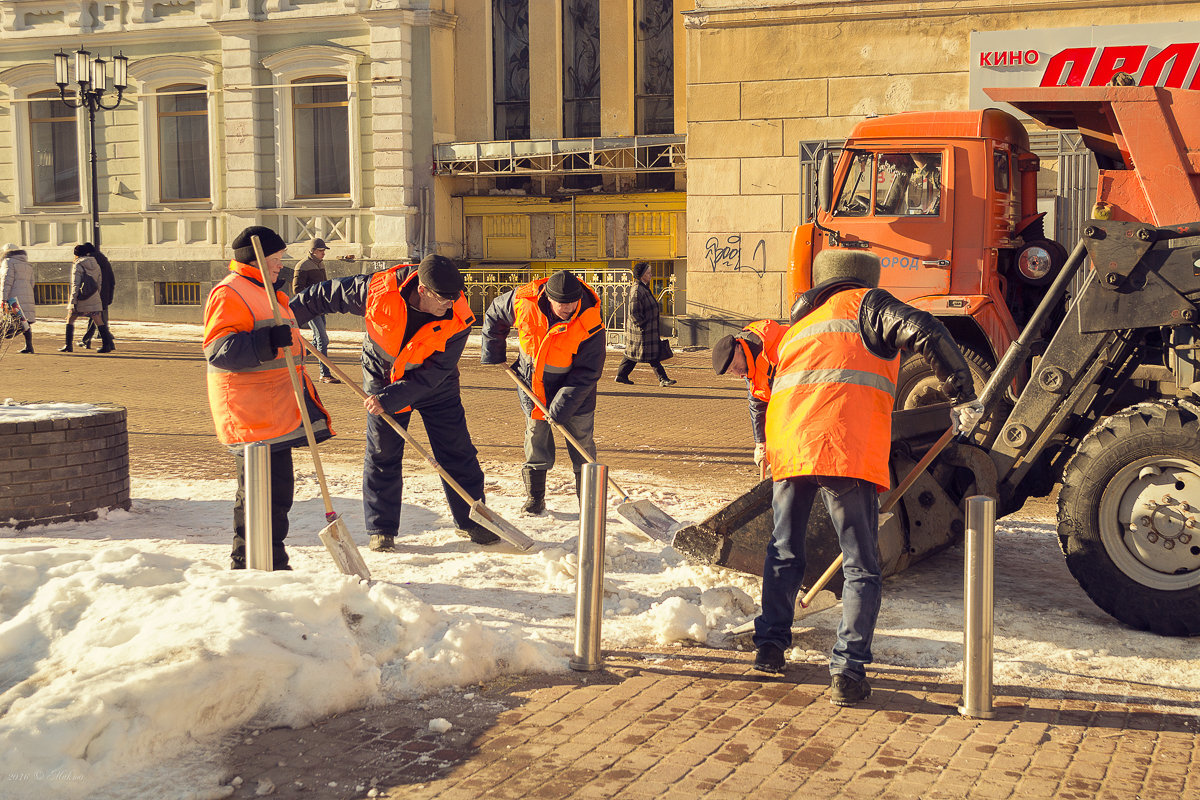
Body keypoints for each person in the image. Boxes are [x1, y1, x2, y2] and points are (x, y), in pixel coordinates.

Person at [752, 249, 983, 707]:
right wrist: (962, 394)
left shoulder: (801, 322)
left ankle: (770, 648)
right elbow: (928, 330)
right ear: (864, 279)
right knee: (860, 562)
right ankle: (847, 669)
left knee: (783, 549)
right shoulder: (868, 305)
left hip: (790, 443)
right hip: (842, 444)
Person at [290, 253, 496, 551]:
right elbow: (322, 295)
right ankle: (381, 528)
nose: (449, 304)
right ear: (423, 289)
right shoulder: (378, 289)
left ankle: (472, 521)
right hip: (383, 375)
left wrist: (390, 399)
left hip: (435, 383)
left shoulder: (460, 316)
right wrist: (287, 321)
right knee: (382, 451)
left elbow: (436, 371)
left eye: (453, 298)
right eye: (442, 299)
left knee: (457, 450)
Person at [203, 225, 334, 570]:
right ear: (257, 259)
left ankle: (273, 559)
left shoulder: (269, 292)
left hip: (275, 408)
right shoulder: (230, 292)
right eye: (276, 259)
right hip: (250, 413)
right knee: (259, 496)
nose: (281, 264)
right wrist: (268, 340)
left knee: (278, 495)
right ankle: (248, 560)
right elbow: (219, 351)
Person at [480, 270, 605, 514]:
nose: (568, 308)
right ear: (548, 297)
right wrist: (494, 350)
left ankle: (589, 505)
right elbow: (495, 312)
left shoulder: (591, 321)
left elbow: (588, 372)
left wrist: (560, 408)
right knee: (536, 438)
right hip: (533, 384)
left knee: (581, 441)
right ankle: (535, 498)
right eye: (562, 304)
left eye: (572, 303)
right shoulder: (523, 301)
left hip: (576, 390)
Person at [710, 319, 789, 471]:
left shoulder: (772, 356)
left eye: (735, 366)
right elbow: (757, 403)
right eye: (731, 371)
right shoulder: (748, 360)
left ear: (739, 348)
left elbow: (787, 406)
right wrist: (761, 443)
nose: (737, 373)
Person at [615, 262, 676, 387]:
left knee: (632, 355)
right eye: (648, 273)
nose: (651, 275)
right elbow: (634, 312)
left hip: (648, 330)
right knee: (651, 356)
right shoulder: (637, 290)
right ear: (642, 275)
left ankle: (621, 375)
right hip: (643, 331)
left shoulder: (643, 288)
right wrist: (642, 326)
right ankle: (663, 379)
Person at [292, 237, 339, 384]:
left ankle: (293, 361)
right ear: (313, 251)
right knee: (323, 339)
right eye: (321, 251)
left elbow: (324, 285)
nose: (323, 253)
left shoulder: (320, 264)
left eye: (324, 251)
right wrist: (312, 300)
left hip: (321, 308)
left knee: (317, 341)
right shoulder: (302, 265)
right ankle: (324, 374)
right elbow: (297, 290)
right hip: (311, 309)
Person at [61, 243, 113, 354]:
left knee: (70, 318)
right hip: (94, 295)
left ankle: (68, 345)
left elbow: (76, 284)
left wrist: (73, 300)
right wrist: (96, 294)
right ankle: (106, 345)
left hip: (81, 298)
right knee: (98, 319)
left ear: (77, 254)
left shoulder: (78, 264)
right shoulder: (95, 263)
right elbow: (99, 281)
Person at [80, 245, 116, 351]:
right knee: (97, 318)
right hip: (105, 294)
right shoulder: (104, 261)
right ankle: (87, 341)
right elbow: (112, 280)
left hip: (95, 294)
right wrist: (110, 296)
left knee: (98, 319)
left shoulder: (89, 262)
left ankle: (106, 343)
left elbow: (88, 281)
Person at [1, 243, 35, 354]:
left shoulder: (8, 262)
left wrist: (3, 299)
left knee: (5, 322)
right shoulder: (27, 264)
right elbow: (32, 283)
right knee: (25, 322)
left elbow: (6, 282)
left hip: (12, 299)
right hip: (27, 297)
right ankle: (29, 346)